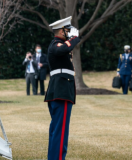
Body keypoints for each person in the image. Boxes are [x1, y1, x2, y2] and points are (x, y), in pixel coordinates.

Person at [44, 16, 80, 160]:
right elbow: (63, 49)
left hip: (60, 91)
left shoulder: (59, 44)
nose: (70, 33)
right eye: (68, 30)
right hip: (61, 92)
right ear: (61, 32)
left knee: (57, 130)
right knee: (60, 130)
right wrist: (75, 38)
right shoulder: (56, 44)